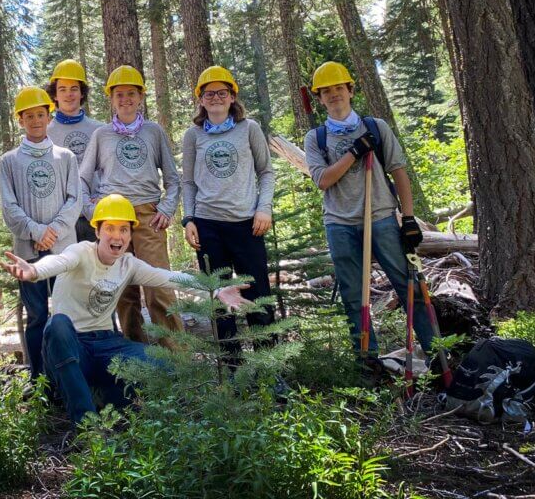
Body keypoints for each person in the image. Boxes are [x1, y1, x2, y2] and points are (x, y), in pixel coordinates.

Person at [0, 194, 250, 424]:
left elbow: (169, 277)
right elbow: (59, 261)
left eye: (123, 229)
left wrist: (216, 290)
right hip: (69, 346)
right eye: (109, 228)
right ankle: (87, 426)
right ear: (97, 231)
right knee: (58, 324)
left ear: (130, 235)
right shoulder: (80, 252)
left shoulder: (128, 265)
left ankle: (104, 395)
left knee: (164, 364)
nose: (116, 236)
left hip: (106, 345)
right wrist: (34, 271)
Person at [303, 61, 435, 359]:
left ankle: (435, 351)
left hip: (382, 218)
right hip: (339, 224)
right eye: (327, 91)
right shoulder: (316, 138)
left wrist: (409, 218)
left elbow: (399, 171)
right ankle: (368, 359)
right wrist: (354, 152)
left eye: (339, 88)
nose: (334, 94)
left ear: (350, 90)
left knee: (408, 285)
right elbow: (323, 180)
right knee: (353, 295)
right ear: (320, 98)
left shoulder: (376, 127)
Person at [79, 65, 182, 346]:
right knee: (123, 291)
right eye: (119, 94)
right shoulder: (101, 135)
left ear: (140, 98)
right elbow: (82, 179)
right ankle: (136, 361)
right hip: (113, 221)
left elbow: (173, 179)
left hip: (149, 216)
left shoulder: (153, 132)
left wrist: (166, 209)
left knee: (159, 287)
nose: (125, 99)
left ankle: (177, 361)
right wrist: (92, 212)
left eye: (131, 94)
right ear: (111, 99)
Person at [181, 66, 276, 362]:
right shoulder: (192, 135)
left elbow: (266, 171)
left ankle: (268, 367)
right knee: (220, 301)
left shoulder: (249, 129)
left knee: (257, 296)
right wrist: (189, 219)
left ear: (233, 96)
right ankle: (232, 368)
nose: (216, 98)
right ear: (201, 99)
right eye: (209, 93)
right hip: (209, 227)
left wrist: (264, 208)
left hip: (247, 224)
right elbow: (187, 181)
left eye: (222, 92)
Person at [0, 86, 82, 379]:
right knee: (36, 317)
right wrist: (36, 233)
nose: (35, 120)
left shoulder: (66, 157)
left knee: (65, 315)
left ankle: (70, 375)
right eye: (29, 115)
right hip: (28, 253)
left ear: (49, 117)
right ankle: (39, 380)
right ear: (20, 120)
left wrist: (55, 231)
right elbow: (9, 207)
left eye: (40, 114)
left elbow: (75, 199)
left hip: (63, 250)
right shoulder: (9, 161)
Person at [45, 59, 105, 243]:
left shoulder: (99, 129)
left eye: (74, 89)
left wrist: (104, 196)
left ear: (82, 93)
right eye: (62, 89)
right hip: (61, 221)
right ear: (54, 95)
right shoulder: (46, 132)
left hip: (96, 217)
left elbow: (109, 169)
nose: (68, 94)